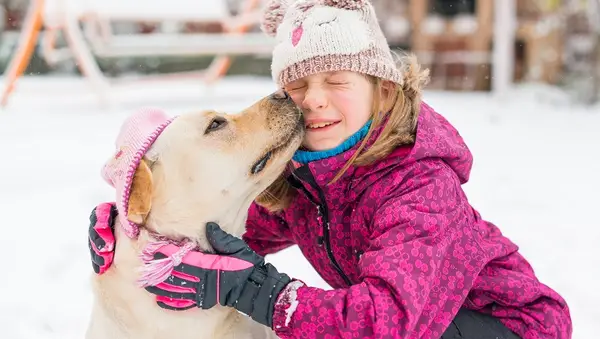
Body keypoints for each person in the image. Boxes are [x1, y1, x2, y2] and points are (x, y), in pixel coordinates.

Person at [87, 0, 572, 338]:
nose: (314, 100)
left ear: (382, 90)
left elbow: (386, 324)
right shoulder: (314, 178)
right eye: (297, 85)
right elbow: (227, 226)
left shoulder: (419, 187)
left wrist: (264, 294)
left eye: (337, 80)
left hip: (507, 328)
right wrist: (136, 232)